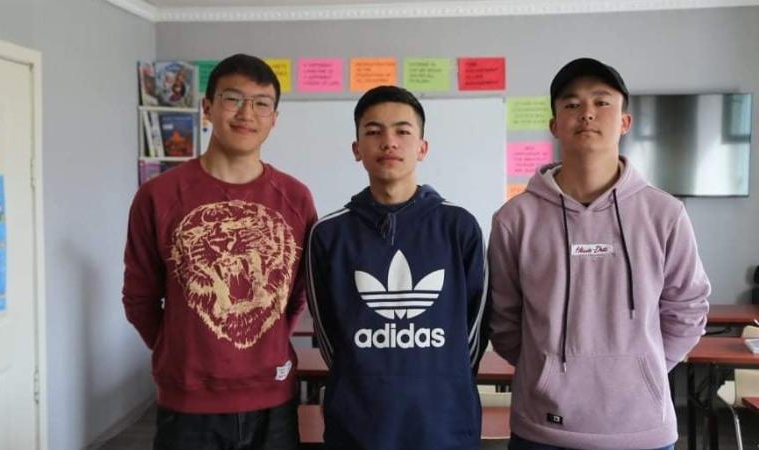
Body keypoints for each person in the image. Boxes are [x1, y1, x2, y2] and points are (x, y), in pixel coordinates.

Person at [488, 57, 711, 450]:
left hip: (642, 431)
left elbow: (688, 310)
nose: (587, 113)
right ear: (555, 125)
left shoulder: (665, 214)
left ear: (625, 121)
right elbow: (504, 320)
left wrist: (642, 371)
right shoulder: (514, 219)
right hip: (543, 429)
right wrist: (546, 372)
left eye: (601, 102)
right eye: (572, 104)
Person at [122, 53, 317, 450]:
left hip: (273, 398)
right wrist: (180, 350)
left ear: (274, 119)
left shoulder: (295, 198)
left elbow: (295, 293)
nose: (247, 113)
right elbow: (140, 298)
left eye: (261, 103)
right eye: (233, 99)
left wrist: (266, 343)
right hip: (188, 403)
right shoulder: (158, 196)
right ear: (207, 107)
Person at [305, 85, 489, 450]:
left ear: (422, 147)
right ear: (357, 148)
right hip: (358, 427)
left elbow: (474, 331)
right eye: (374, 131)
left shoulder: (460, 226)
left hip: (444, 424)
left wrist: (440, 377)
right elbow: (328, 335)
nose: (389, 142)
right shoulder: (328, 234)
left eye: (403, 131)